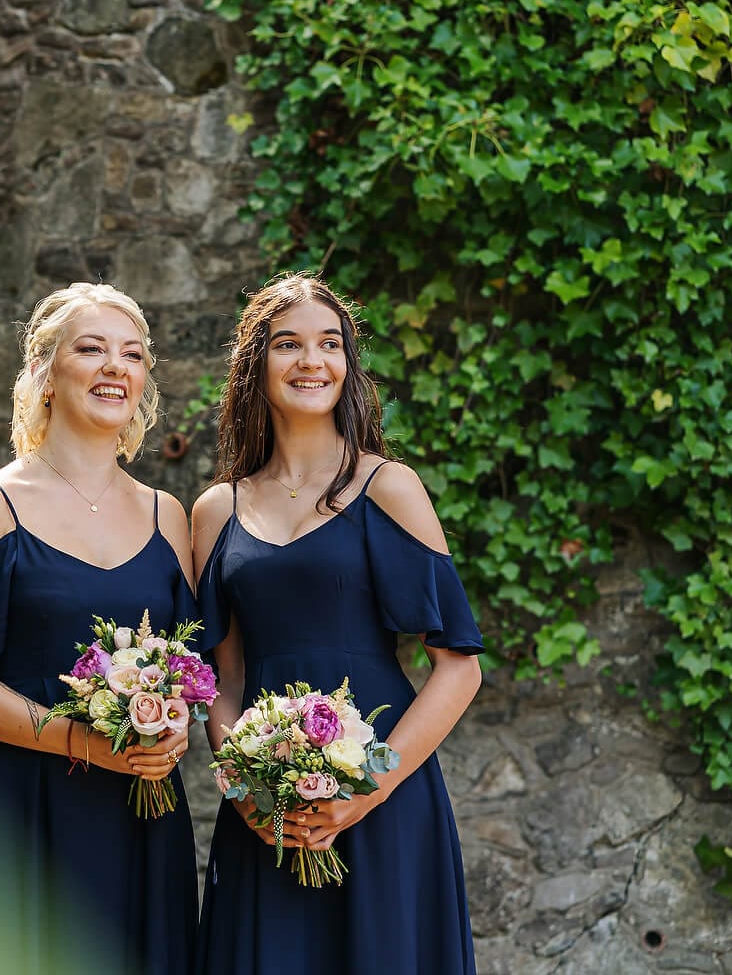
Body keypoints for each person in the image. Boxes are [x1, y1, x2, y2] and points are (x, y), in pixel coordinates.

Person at [0, 282, 201, 974]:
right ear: (45, 372)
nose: (116, 366)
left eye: (133, 354)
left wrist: (176, 723)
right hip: (23, 809)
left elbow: (194, 668)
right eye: (92, 349)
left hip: (141, 812)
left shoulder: (168, 518)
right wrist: (84, 743)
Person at [192, 273, 483, 973]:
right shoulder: (215, 511)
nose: (311, 361)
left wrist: (365, 792)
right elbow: (222, 678)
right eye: (288, 344)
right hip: (265, 813)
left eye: (329, 344)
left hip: (383, 802)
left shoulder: (389, 488)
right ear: (256, 365)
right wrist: (247, 791)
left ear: (348, 364)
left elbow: (459, 665)